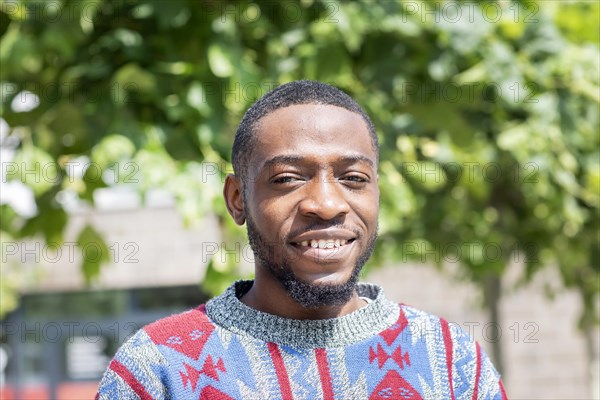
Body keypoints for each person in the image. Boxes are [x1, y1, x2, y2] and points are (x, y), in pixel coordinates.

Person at [96, 80, 507, 399]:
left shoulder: (449, 362)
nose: (326, 204)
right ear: (238, 200)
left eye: (353, 179)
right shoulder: (157, 369)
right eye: (288, 179)